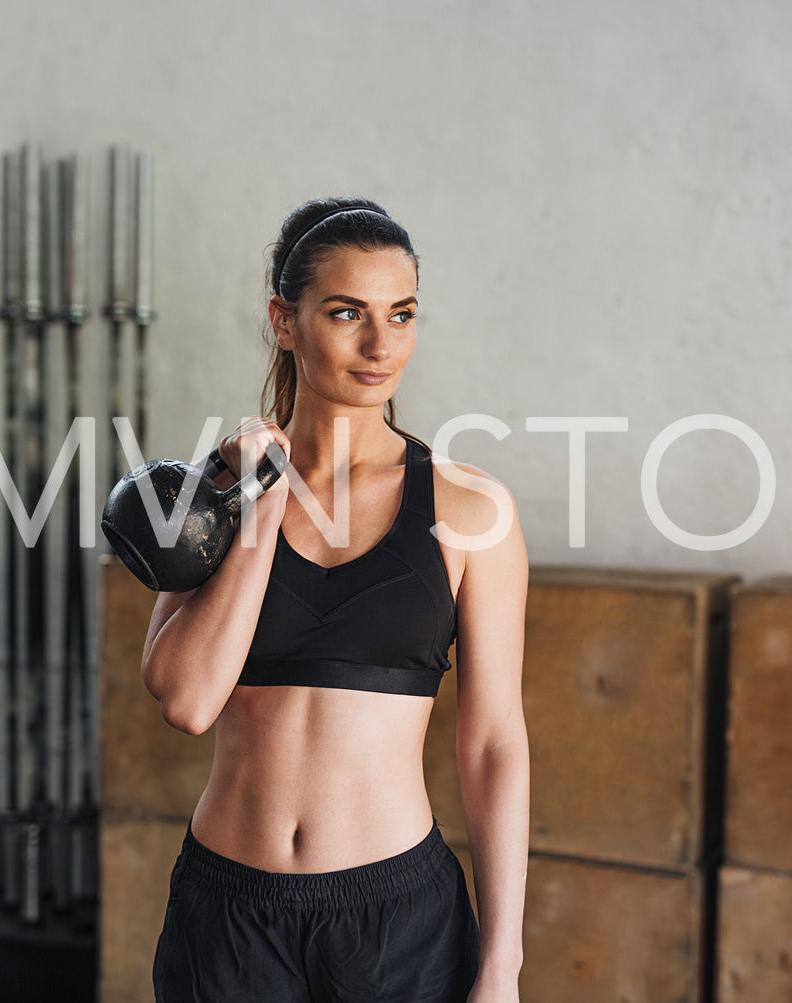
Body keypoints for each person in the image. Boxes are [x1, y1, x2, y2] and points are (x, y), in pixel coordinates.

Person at [143, 197, 530, 1003]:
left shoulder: (469, 508)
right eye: (346, 312)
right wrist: (257, 499)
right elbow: (186, 698)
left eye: (401, 314)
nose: (379, 344)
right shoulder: (213, 495)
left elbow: (492, 743)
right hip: (228, 916)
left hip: (394, 921)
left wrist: (501, 964)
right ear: (285, 321)